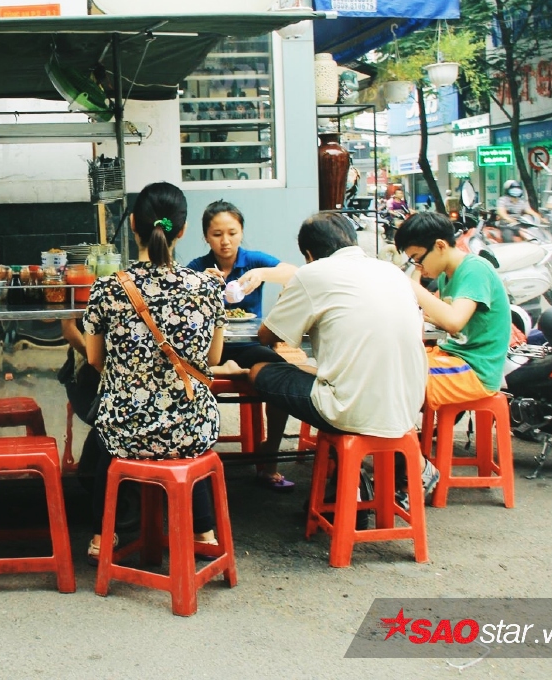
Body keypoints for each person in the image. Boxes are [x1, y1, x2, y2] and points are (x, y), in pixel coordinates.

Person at [249, 212, 438, 507]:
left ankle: (350, 486)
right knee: (319, 372)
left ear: (309, 254)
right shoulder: (391, 272)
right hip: (407, 407)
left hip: (350, 411)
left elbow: (266, 336)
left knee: (260, 370)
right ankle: (355, 482)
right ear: (351, 240)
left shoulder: (313, 273)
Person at [83, 182, 226, 562]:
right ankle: (205, 532)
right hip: (192, 427)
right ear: (183, 229)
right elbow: (214, 357)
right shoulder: (207, 286)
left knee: (104, 438)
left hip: (127, 430)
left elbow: (94, 359)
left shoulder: (107, 289)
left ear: (133, 224)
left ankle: (101, 536)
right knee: (186, 431)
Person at [185, 200, 299, 489]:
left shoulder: (253, 261)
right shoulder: (197, 267)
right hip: (211, 348)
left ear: (241, 232)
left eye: (232, 233)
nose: (225, 241)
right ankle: (196, 459)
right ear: (206, 236)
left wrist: (262, 274)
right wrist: (199, 284)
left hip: (249, 345)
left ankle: (269, 456)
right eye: (217, 234)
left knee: (280, 376)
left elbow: (294, 273)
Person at [395, 212, 510, 409]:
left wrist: (409, 284)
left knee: (395, 376)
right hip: (453, 357)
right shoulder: (446, 276)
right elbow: (440, 317)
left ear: (440, 246)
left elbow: (454, 321)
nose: (419, 267)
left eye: (418, 259)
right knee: (393, 361)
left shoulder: (475, 269)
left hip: (475, 370)